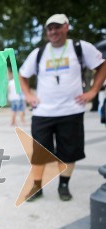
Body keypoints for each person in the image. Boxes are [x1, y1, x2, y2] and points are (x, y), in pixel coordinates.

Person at [19, 14, 106, 202]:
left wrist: (93, 91)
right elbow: (22, 75)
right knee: (40, 152)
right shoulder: (39, 53)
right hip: (43, 112)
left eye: (57, 27)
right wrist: (28, 95)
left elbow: (102, 66)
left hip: (71, 111)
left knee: (69, 151)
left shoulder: (80, 47)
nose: (53, 32)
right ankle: (37, 186)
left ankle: (64, 186)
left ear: (66, 27)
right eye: (49, 28)